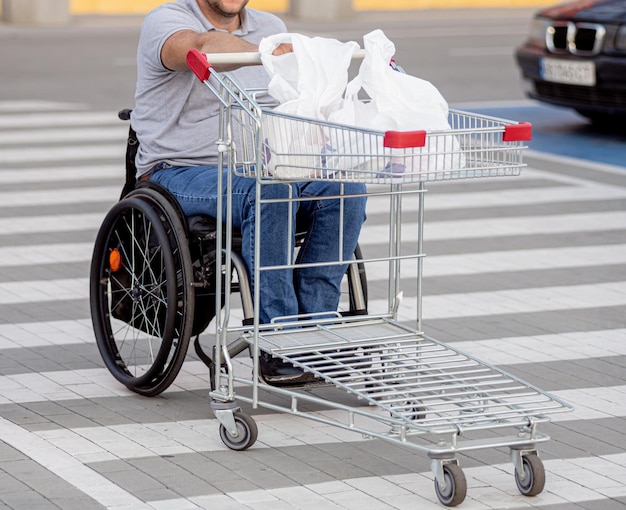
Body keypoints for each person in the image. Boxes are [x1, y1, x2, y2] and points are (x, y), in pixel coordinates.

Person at [131, 0, 367, 384]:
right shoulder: (168, 20)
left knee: (344, 189)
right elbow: (198, 48)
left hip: (261, 168)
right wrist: (266, 51)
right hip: (181, 172)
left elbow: (288, 105)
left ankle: (318, 329)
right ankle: (278, 339)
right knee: (270, 192)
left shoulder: (269, 25)